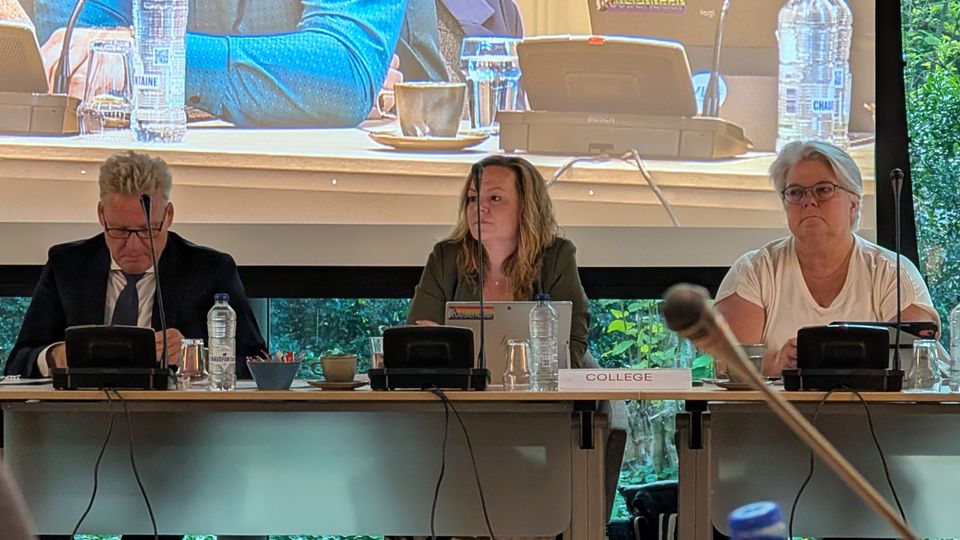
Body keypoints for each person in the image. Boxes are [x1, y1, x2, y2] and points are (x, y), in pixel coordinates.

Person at [715, 140, 940, 377]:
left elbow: (919, 367)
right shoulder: (753, 271)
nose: (808, 201)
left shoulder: (892, 272)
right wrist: (778, 364)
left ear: (854, 205)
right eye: (796, 192)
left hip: (873, 403)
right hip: (773, 403)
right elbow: (728, 369)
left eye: (823, 190)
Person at [33, 0, 411, 127]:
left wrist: (149, 59)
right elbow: (78, 70)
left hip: (364, 199)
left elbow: (342, 72)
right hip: (149, 184)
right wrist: (290, 88)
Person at [407, 154, 590, 367]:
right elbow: (418, 339)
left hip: (540, 386)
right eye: (473, 198)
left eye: (494, 198)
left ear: (526, 206)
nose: (479, 207)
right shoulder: (445, 257)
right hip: (462, 388)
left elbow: (572, 343)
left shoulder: (557, 256)